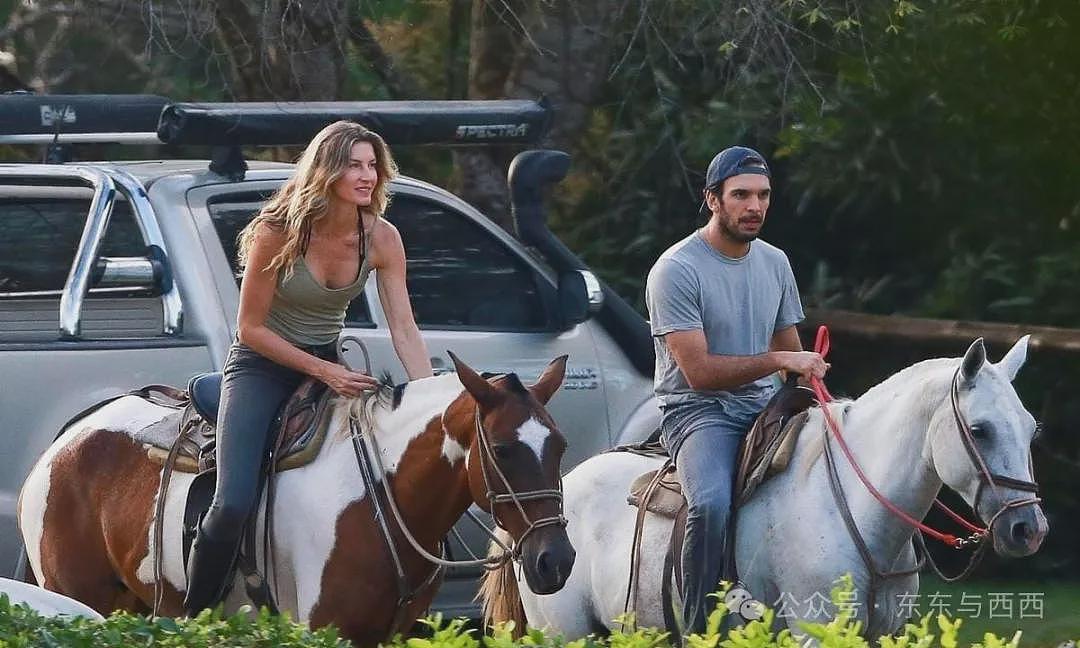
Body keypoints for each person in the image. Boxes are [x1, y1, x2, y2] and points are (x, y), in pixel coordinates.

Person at [184, 120, 434, 614]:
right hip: (261, 365)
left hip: (328, 362)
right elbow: (250, 329)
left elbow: (404, 327)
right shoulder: (275, 232)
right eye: (354, 165)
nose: (367, 176)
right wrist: (325, 374)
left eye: (372, 166)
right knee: (232, 502)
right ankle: (193, 617)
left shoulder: (382, 238)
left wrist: (429, 399)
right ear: (326, 171)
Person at [644, 146, 828, 634]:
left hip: (764, 405)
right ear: (713, 200)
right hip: (698, 412)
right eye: (741, 195)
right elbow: (699, 373)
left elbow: (790, 352)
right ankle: (701, 629)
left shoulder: (775, 262)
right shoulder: (676, 269)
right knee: (711, 503)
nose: (755, 207)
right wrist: (778, 360)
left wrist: (806, 381)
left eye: (763, 196)